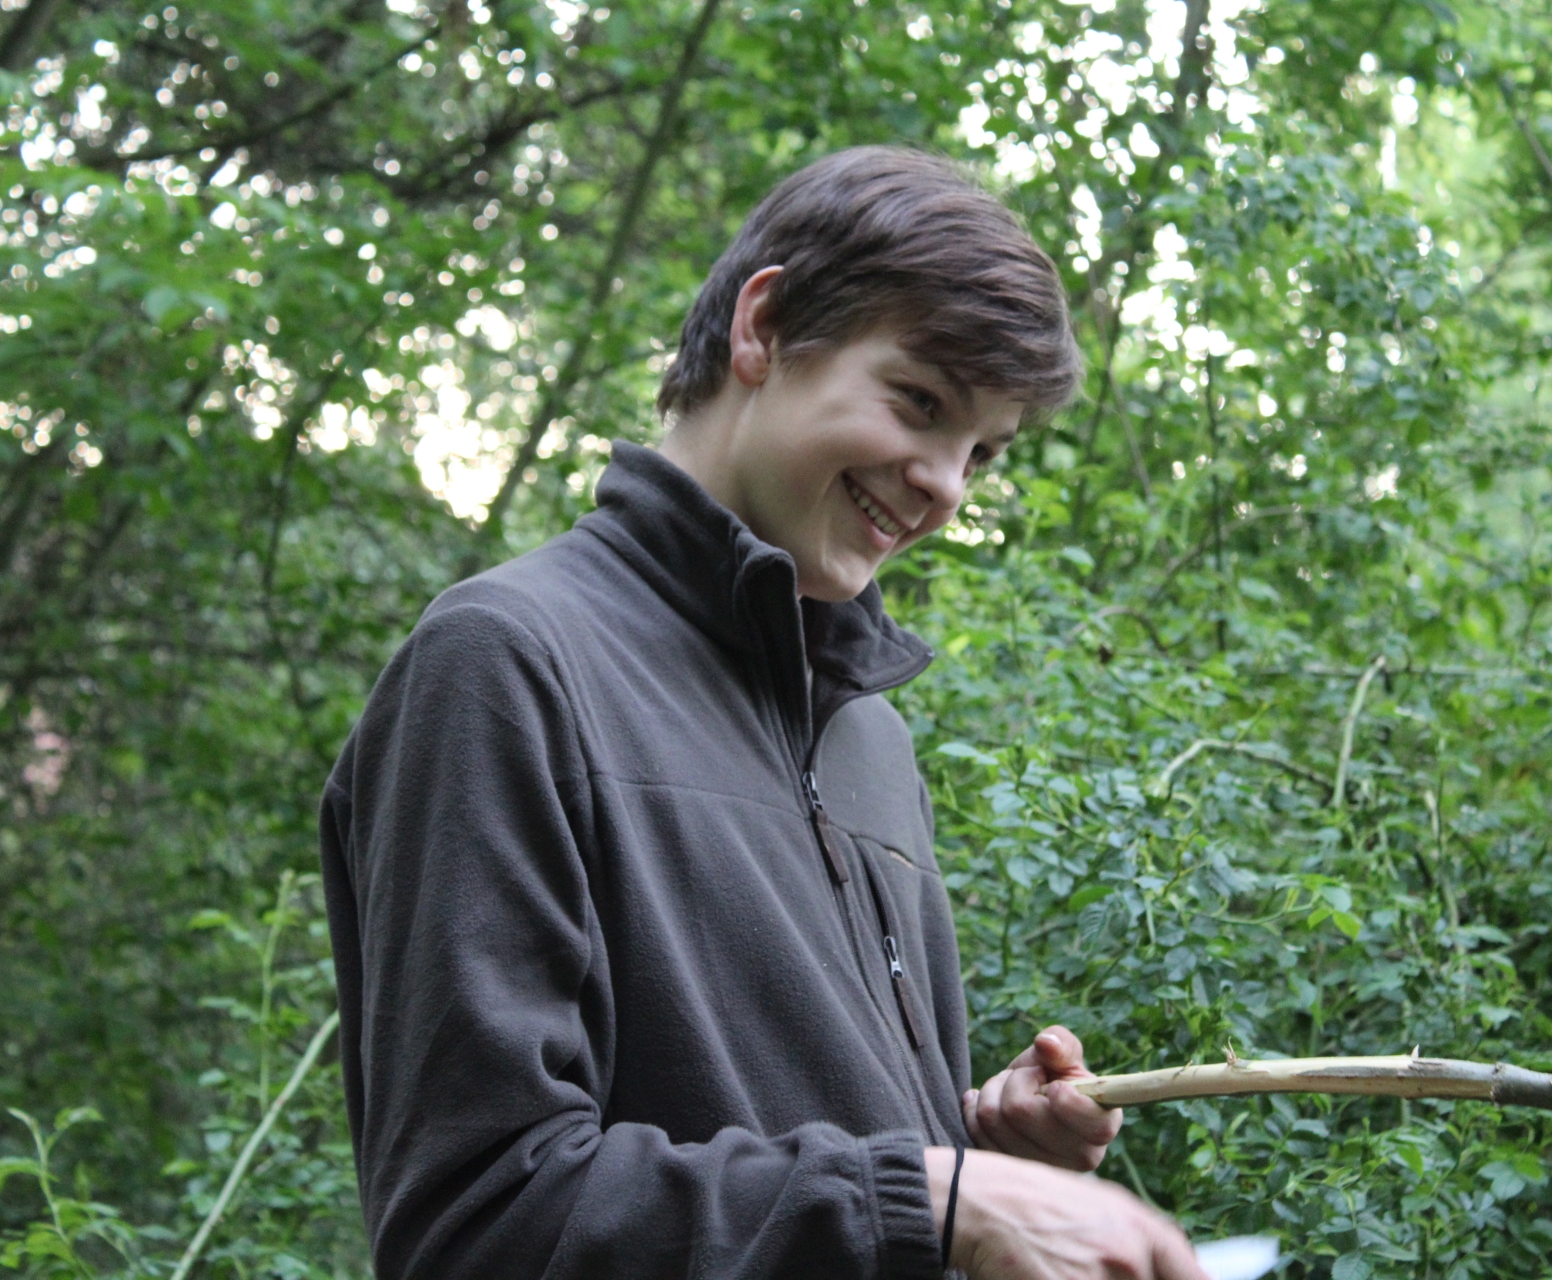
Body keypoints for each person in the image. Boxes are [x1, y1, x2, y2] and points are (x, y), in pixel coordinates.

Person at [319, 146, 1210, 1280]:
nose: (945, 485)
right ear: (765, 328)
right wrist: (931, 1198)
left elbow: (836, 1177)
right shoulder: (505, 662)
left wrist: (979, 1155)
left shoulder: (868, 737)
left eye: (981, 452)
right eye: (920, 402)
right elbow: (480, 1220)